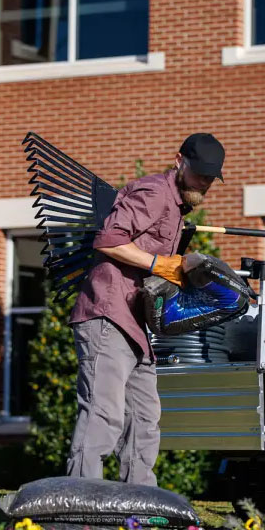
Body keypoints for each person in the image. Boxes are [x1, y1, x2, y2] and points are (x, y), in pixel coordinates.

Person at [66, 133, 225, 485]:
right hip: (108, 315)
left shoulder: (178, 208)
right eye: (199, 173)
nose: (204, 182)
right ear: (179, 161)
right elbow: (109, 240)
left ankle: (141, 502)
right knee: (102, 413)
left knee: (144, 416)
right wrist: (158, 264)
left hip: (136, 325)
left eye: (211, 178)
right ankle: (77, 501)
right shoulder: (155, 193)